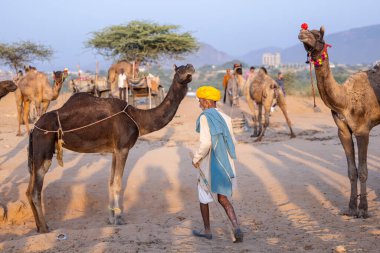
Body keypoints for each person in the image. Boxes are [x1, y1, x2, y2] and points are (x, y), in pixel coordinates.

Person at [191, 86, 243, 243]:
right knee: (223, 198)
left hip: (210, 163)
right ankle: (236, 227)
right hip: (226, 163)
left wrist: (196, 158)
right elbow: (232, 141)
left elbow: (206, 143)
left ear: (206, 101)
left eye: (200, 101)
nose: (199, 104)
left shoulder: (205, 117)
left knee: (203, 194)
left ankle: (207, 231)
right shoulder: (226, 117)